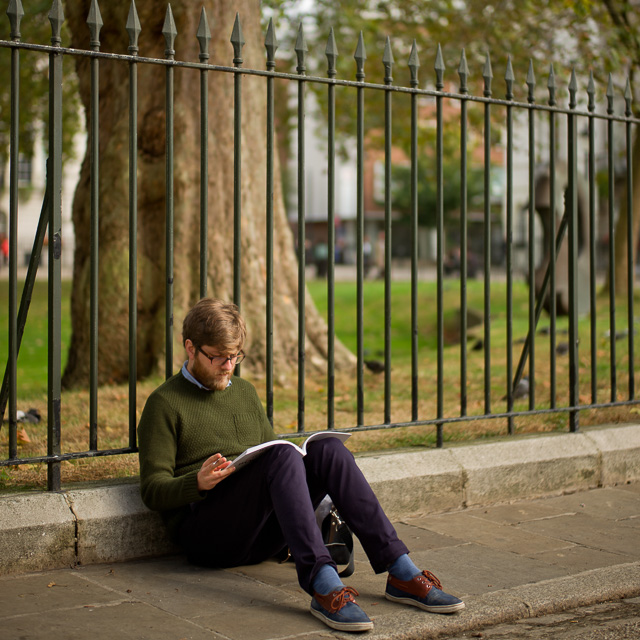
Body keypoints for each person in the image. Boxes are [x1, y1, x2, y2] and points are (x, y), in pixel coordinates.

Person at [138, 298, 464, 632]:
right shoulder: (164, 403)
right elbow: (151, 489)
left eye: (235, 356)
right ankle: (324, 585)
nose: (228, 366)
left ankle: (401, 571)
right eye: (218, 356)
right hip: (209, 535)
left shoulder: (244, 392)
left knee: (328, 451)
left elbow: (269, 456)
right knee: (282, 455)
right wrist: (198, 482)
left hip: (261, 535)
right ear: (190, 348)